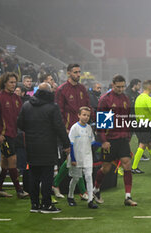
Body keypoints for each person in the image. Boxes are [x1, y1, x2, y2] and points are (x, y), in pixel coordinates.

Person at [17, 82, 70, 213]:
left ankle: (34, 204)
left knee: (34, 176)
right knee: (47, 177)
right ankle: (46, 204)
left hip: (31, 146)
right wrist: (66, 144)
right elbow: (59, 127)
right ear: (48, 92)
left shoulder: (26, 105)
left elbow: (20, 124)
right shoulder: (52, 107)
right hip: (48, 146)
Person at [93, 74, 137, 206]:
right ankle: (96, 190)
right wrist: (104, 141)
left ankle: (128, 197)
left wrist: (128, 135)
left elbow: (127, 118)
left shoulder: (125, 98)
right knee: (105, 168)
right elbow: (100, 123)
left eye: (123, 86)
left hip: (123, 139)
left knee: (127, 164)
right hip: (110, 140)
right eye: (118, 87)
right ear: (112, 85)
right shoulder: (105, 99)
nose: (121, 89)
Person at [53, 64, 91, 199]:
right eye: (75, 72)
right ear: (69, 73)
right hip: (69, 130)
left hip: (82, 129)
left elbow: (88, 107)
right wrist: (65, 129)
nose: (78, 74)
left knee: (72, 160)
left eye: (79, 72)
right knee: (75, 159)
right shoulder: (61, 90)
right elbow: (59, 112)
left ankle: (55, 184)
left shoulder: (82, 89)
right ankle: (82, 191)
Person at [0, 72, 28, 198]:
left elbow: (21, 115)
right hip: (4, 135)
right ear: (4, 83)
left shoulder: (16, 98)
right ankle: (19, 190)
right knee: (12, 159)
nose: (13, 85)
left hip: (14, 133)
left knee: (5, 163)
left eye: (14, 82)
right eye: (11, 82)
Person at [67, 107, 99, 209]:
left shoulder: (89, 128)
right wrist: (73, 159)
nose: (86, 117)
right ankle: (70, 196)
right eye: (84, 115)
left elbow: (93, 143)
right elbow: (71, 144)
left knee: (89, 177)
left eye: (88, 115)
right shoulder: (74, 128)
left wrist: (102, 144)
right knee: (76, 178)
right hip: (77, 157)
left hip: (88, 157)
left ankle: (90, 200)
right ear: (79, 115)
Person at [131, 80, 151, 174]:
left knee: (150, 143)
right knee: (143, 144)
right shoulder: (148, 98)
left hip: (139, 123)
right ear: (149, 86)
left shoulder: (138, 97)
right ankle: (134, 167)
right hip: (146, 124)